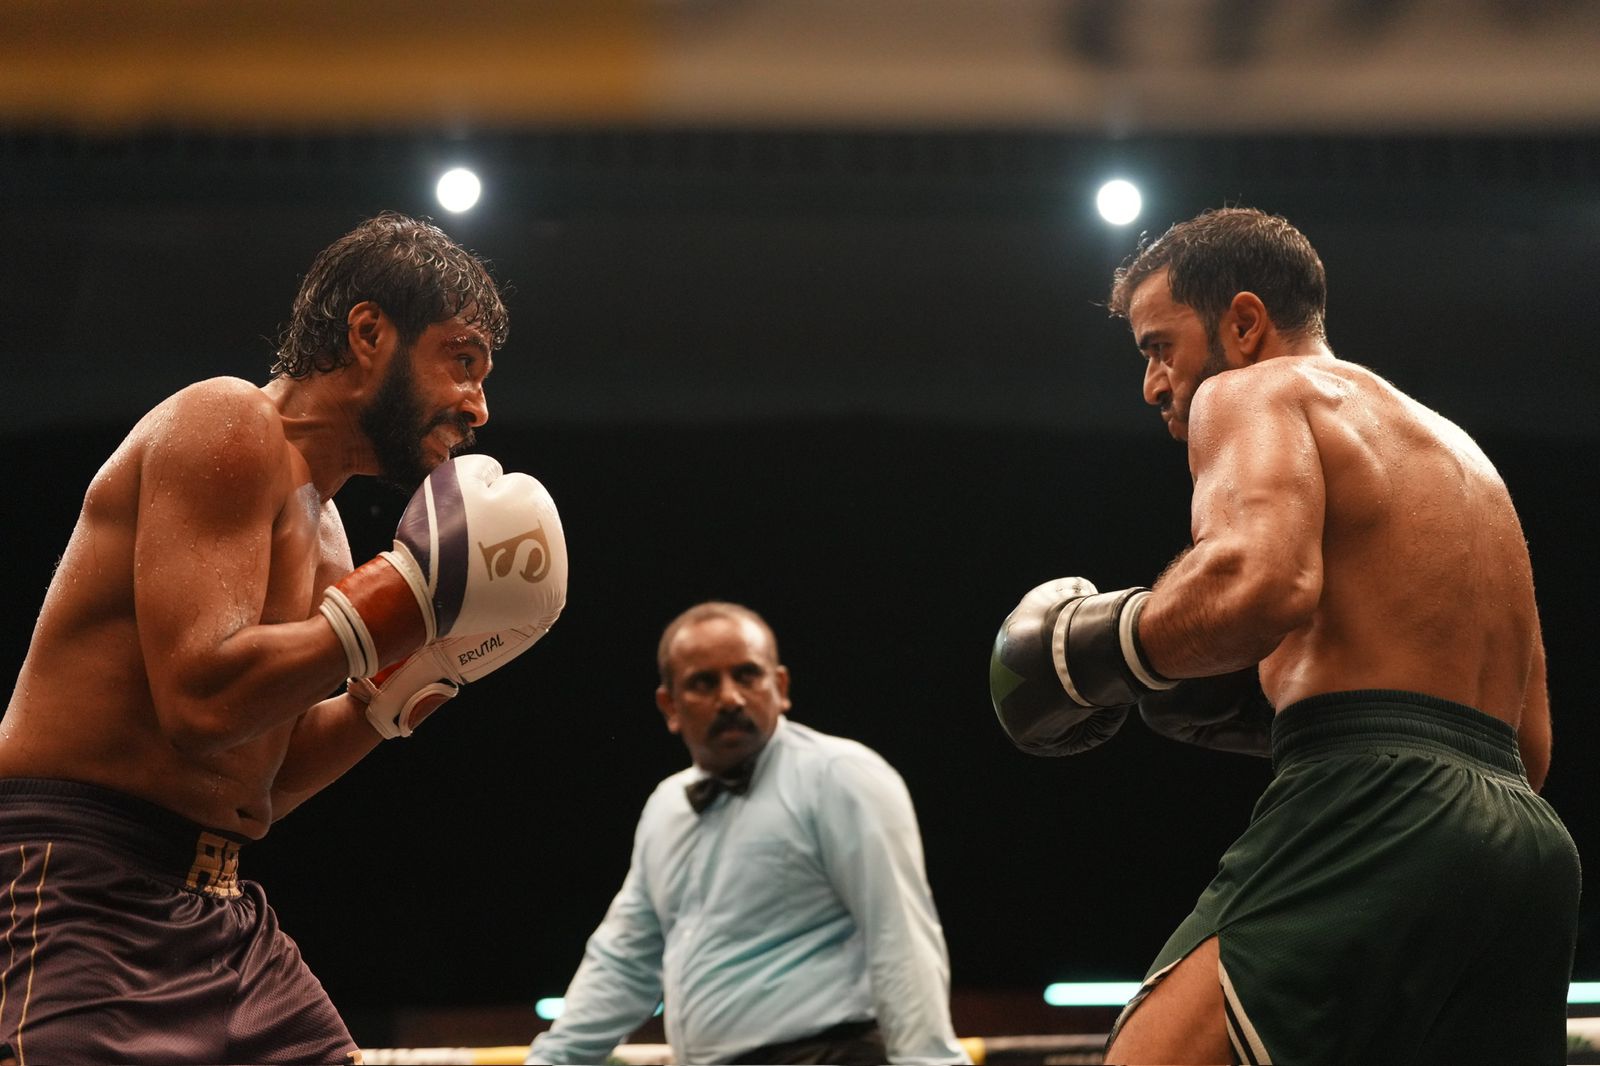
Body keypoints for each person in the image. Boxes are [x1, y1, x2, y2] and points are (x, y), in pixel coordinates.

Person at [988, 207, 1579, 1064]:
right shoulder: (1466, 462)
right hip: (1527, 849)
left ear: (1243, 322)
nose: (1153, 384)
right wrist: (1288, 709)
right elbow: (1531, 746)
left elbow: (1259, 581)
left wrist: (1098, 651)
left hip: (1377, 810)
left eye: (1160, 347)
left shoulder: (1253, 390)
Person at [0, 212, 569, 1065]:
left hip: (219, 906)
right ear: (369, 333)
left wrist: (412, 683)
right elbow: (200, 703)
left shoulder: (330, 535)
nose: (477, 405)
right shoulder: (225, 422)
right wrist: (401, 603)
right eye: (462, 360)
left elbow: (265, 776)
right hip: (78, 882)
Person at [525, 601, 968, 1066]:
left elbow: (899, 935)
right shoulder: (666, 808)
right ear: (670, 706)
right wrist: (550, 1062)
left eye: (747, 675)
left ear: (780, 687)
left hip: (828, 1054)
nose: (731, 699)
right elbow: (623, 961)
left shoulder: (839, 776)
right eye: (704, 682)